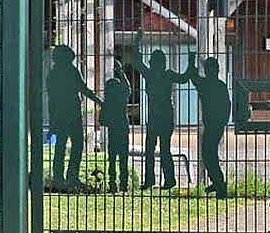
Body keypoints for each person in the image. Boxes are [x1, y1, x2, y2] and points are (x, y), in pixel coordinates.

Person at [129, 29, 195, 190]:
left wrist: (138, 40)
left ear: (154, 63)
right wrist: (192, 61)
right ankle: (166, 180)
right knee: (161, 150)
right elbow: (185, 77)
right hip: (164, 116)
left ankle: (155, 181)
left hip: (158, 117)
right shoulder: (166, 75)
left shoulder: (151, 74)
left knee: (153, 150)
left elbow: (136, 60)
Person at [46, 45, 101, 189]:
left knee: (61, 147)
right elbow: (84, 89)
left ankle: (60, 179)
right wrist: (99, 101)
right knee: (76, 145)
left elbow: (51, 100)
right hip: (72, 113)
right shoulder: (71, 71)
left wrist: (53, 120)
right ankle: (71, 177)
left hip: (60, 114)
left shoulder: (53, 74)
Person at [190, 56, 232, 198]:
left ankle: (220, 185)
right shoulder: (220, 85)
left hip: (213, 126)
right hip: (217, 125)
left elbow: (193, 77)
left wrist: (191, 63)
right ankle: (218, 182)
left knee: (208, 156)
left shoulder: (206, 84)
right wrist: (223, 122)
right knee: (210, 155)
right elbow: (228, 106)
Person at [99, 60, 132, 193]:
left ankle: (112, 184)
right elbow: (127, 88)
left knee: (112, 160)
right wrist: (120, 72)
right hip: (123, 131)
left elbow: (102, 121)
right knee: (123, 160)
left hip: (113, 133)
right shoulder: (122, 100)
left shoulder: (108, 103)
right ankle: (123, 185)